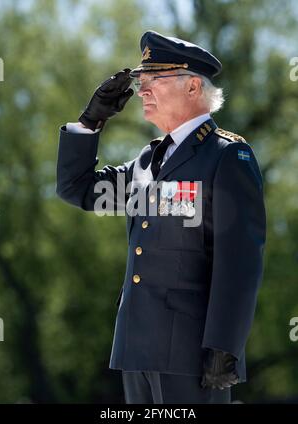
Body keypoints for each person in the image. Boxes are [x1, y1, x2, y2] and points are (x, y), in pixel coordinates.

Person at [56, 30, 266, 404]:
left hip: (191, 354)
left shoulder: (226, 157)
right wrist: (90, 123)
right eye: (141, 82)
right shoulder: (146, 163)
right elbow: (78, 189)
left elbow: (240, 262)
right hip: (136, 349)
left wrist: (224, 346)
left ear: (192, 89)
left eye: (155, 80)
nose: (142, 90)